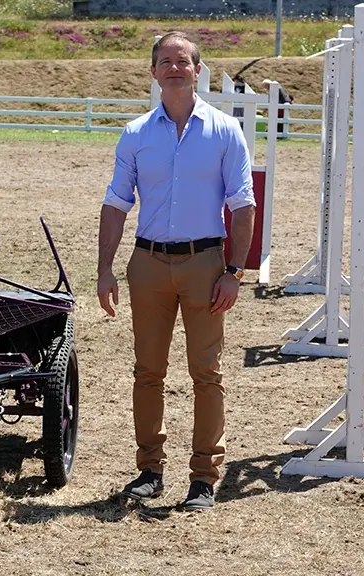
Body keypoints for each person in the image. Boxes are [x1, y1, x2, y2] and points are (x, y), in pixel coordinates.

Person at [96, 31, 256, 512]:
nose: (173, 68)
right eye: (164, 61)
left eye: (182, 61)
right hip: (147, 264)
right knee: (148, 371)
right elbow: (116, 203)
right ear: (153, 72)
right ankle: (149, 470)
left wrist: (234, 270)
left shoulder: (226, 131)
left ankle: (204, 476)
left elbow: (243, 204)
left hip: (206, 264)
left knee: (206, 372)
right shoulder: (135, 134)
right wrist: (105, 269)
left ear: (197, 70)